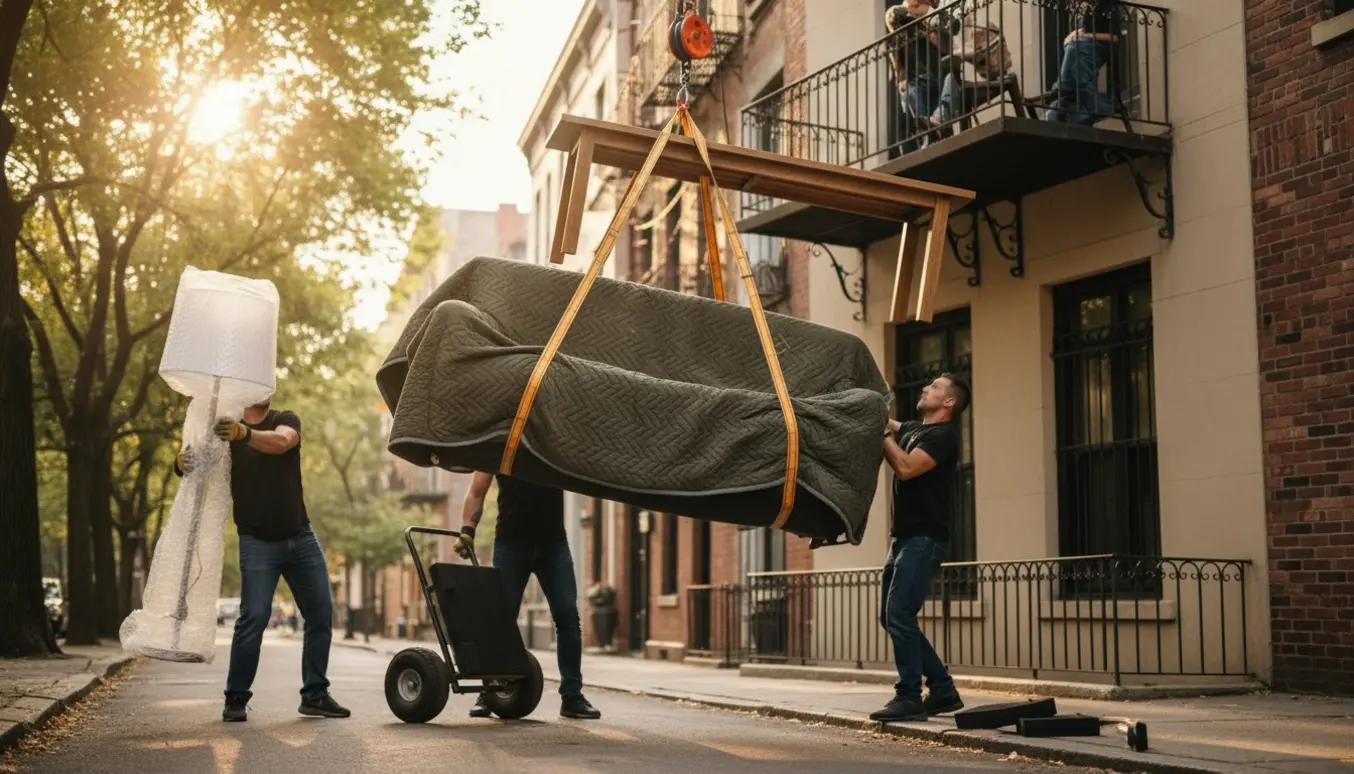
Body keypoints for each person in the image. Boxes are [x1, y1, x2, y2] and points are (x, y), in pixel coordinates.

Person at [175, 399, 349, 723]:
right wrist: (182, 462)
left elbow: (282, 442)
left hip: (300, 536)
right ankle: (236, 698)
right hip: (257, 542)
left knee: (321, 612)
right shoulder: (225, 429)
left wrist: (245, 434)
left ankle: (315, 695)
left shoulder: (285, 418)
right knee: (253, 617)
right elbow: (197, 463)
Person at [455, 472, 601, 720]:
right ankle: (489, 693)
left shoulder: (552, 441)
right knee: (501, 621)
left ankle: (572, 697)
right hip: (510, 545)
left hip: (553, 546)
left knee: (567, 617)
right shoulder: (502, 444)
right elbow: (477, 490)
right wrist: (467, 530)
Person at [870, 373, 969, 722]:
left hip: (925, 539)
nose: (925, 387)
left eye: (935, 387)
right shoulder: (915, 429)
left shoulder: (944, 437)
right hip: (903, 539)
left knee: (899, 614)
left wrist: (882, 434)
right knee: (889, 615)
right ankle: (942, 690)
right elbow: (885, 420)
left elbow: (908, 468)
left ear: (949, 402)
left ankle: (909, 695)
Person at [885, 0, 960, 145]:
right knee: (921, 125)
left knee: (941, 128)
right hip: (916, 80)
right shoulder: (900, 12)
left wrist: (929, 15)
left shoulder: (937, 12)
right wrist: (900, 76)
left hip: (940, 76)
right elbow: (893, 18)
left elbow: (951, 41)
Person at [1044, 0, 1122, 126]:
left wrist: (1084, 35)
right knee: (1075, 54)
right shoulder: (1075, 9)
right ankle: (1093, 105)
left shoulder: (1104, 5)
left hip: (1101, 47)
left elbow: (1114, 38)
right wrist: (1076, 36)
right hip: (1081, 54)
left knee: (1073, 48)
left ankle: (1061, 88)